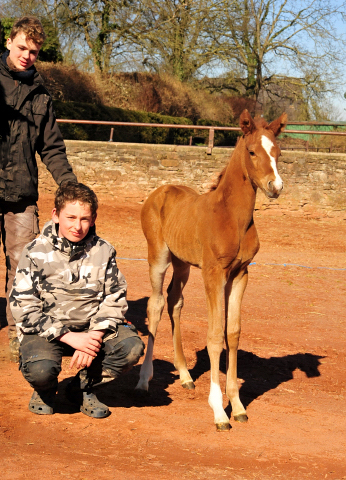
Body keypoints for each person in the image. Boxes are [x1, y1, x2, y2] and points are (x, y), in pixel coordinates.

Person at [10, 182, 145, 418]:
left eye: (85, 218)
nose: (77, 226)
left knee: (131, 348)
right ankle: (45, 389)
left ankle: (82, 387)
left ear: (93, 219)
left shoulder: (104, 250)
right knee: (40, 370)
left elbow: (115, 297)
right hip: (47, 332)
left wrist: (93, 337)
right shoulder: (34, 251)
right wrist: (68, 336)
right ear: (56, 215)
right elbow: (24, 306)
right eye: (71, 217)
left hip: (90, 331)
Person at [0, 16, 77, 362]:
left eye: (33, 51)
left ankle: (21, 335)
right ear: (8, 42)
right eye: (21, 48)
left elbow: (52, 147)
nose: (27, 56)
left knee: (23, 269)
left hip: (21, 195)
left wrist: (70, 186)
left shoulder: (41, 95)